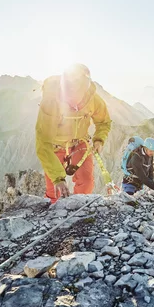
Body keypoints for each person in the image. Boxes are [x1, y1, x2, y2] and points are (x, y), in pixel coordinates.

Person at [35, 64, 112, 203]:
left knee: (86, 182)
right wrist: (58, 178)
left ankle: (78, 208)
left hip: (79, 143)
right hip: (55, 146)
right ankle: (54, 212)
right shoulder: (51, 102)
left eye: (79, 93)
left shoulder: (92, 99)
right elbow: (43, 142)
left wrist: (99, 139)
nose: (76, 102)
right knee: (54, 190)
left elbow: (103, 121)